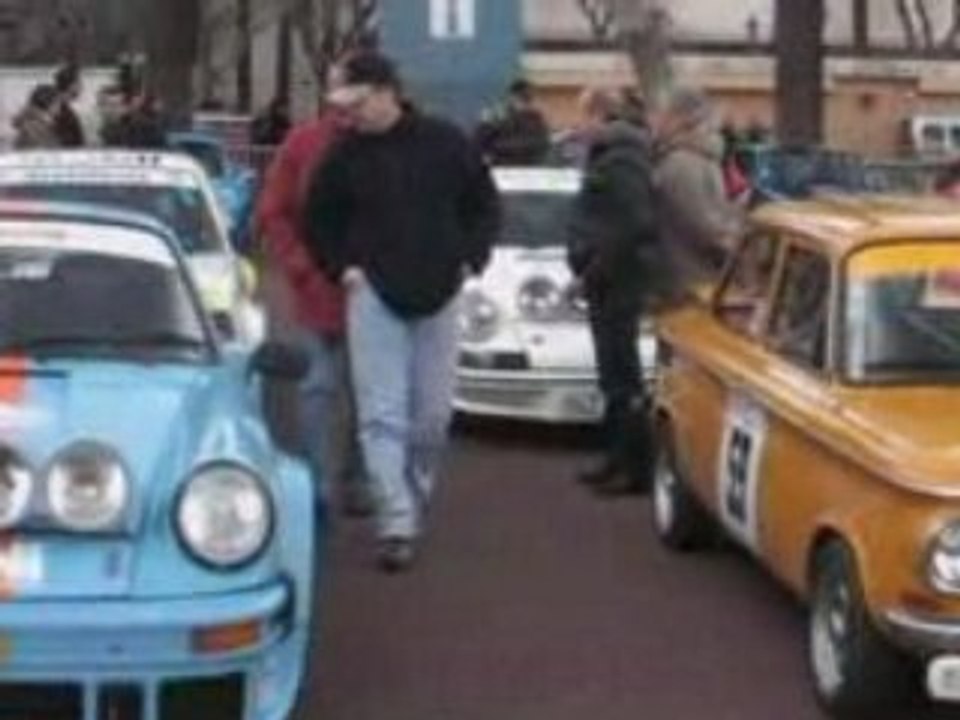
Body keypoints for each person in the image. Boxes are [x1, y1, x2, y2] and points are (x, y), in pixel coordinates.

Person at [303, 51, 500, 572]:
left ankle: (409, 498)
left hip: (440, 291)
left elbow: (483, 203)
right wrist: (342, 267)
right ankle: (396, 522)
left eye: (357, 102)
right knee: (380, 414)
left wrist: (471, 259)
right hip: (373, 296)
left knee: (432, 417)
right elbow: (316, 217)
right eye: (343, 106)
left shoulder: (446, 143)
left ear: (386, 91)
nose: (349, 115)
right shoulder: (343, 156)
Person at [256, 62, 371, 519]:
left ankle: (358, 476)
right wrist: (301, 266)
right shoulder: (303, 144)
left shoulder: (382, 144)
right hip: (318, 291)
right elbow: (274, 211)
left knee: (370, 394)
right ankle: (319, 483)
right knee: (319, 388)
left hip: (375, 293)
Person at [567, 91, 659, 497]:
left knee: (623, 375)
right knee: (612, 373)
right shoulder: (610, 157)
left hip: (617, 280)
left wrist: (594, 267)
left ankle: (633, 465)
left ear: (601, 116)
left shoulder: (621, 161)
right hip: (607, 279)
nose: (577, 126)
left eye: (582, 117)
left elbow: (633, 223)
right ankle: (615, 456)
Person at [650, 88, 742, 293]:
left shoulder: (681, 165)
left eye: (660, 114)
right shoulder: (703, 159)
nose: (653, 120)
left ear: (679, 120)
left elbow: (707, 229)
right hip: (702, 281)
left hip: (688, 285)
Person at [474, 78, 551, 166]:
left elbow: (536, 144)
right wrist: (485, 124)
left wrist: (495, 150)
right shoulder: (499, 117)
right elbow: (479, 143)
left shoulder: (535, 120)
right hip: (503, 170)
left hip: (522, 170)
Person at [12, 84, 61, 149]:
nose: (60, 106)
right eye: (58, 102)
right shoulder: (37, 128)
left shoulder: (32, 123)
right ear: (49, 103)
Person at [52, 63, 85, 147]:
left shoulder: (59, 107)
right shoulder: (61, 112)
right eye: (79, 83)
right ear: (72, 86)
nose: (82, 87)